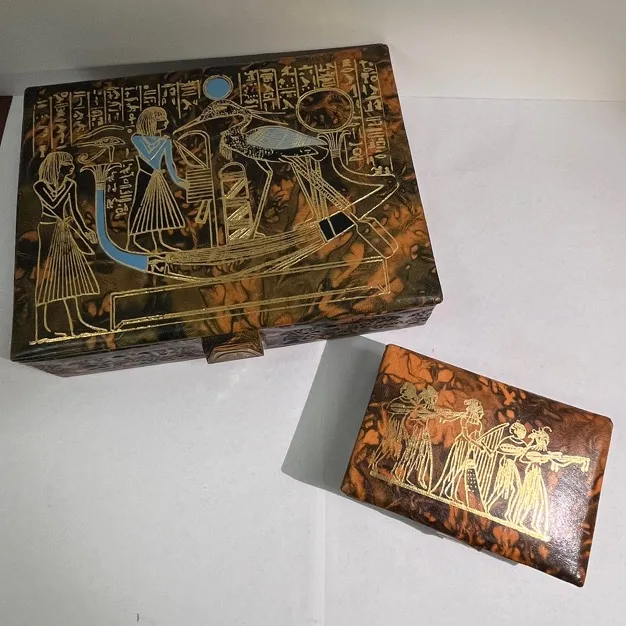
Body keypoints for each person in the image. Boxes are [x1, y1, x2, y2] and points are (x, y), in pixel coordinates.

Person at [33, 151, 100, 338]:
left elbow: (74, 212)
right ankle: (44, 328)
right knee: (49, 277)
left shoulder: (70, 184)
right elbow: (54, 205)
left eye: (71, 164)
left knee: (68, 276)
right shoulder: (40, 185)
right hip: (48, 229)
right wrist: (66, 186)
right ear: (55, 165)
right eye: (66, 164)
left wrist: (85, 231)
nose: (71, 168)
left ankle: (77, 322)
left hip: (64, 230)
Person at [128, 106, 187, 252]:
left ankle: (159, 241)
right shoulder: (137, 139)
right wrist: (162, 142)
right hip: (145, 176)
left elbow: (169, 164)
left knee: (159, 210)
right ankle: (134, 241)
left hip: (158, 177)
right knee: (140, 208)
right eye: (162, 120)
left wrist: (178, 181)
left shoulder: (165, 141)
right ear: (151, 122)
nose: (166, 122)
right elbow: (149, 155)